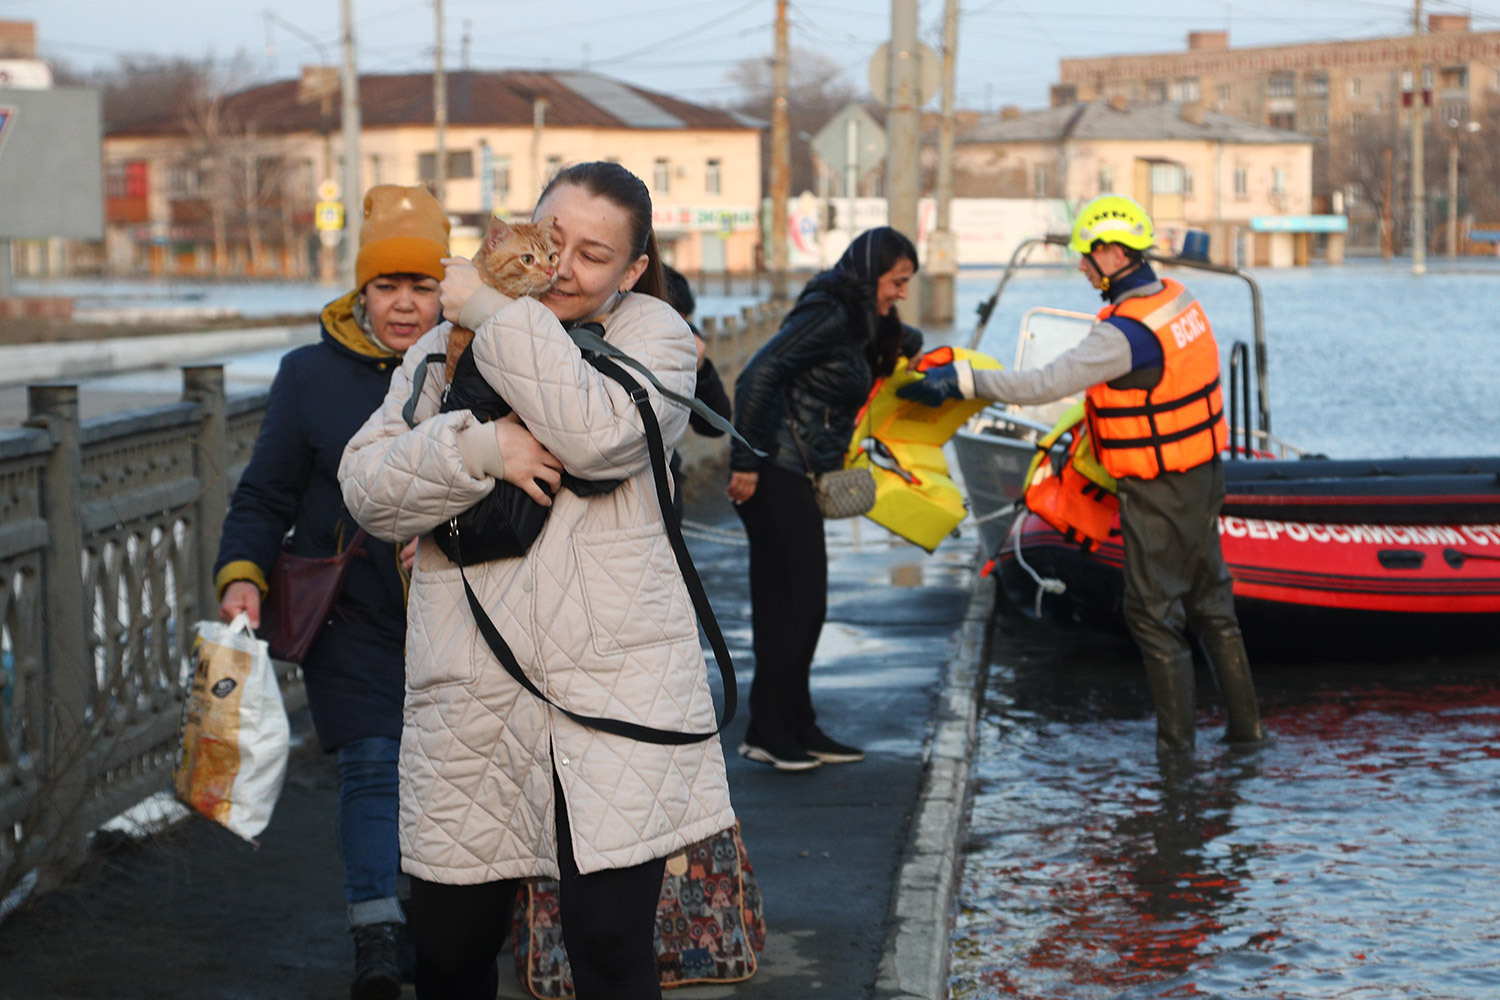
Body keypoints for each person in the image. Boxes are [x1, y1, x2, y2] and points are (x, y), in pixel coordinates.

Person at [338, 161, 734, 1000]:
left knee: (609, 947)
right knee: (449, 948)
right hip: (476, 686)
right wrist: (480, 451)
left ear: (631, 272)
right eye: (552, 240)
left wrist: (489, 311)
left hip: (616, 689)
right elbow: (366, 489)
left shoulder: (653, 334)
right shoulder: (437, 350)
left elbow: (602, 437)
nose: (560, 268)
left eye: (594, 256)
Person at [897, 194, 1265, 754]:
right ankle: (1247, 736)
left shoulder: (1124, 334)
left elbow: (1044, 383)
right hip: (1201, 471)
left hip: (1159, 485)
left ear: (1114, 254)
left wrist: (965, 382)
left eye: (1086, 256)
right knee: (1212, 604)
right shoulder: (1175, 299)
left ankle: (1176, 762)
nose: (1080, 266)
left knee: (1153, 615)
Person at [215, 184, 450, 999]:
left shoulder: (481, 364)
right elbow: (265, 494)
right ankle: (377, 936)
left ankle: (443, 923)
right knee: (372, 764)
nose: (405, 304)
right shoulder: (309, 375)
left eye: (423, 286)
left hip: (459, 616)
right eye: (388, 286)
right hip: (349, 616)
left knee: (448, 778)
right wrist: (242, 576)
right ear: (362, 290)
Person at [727, 227, 923, 772]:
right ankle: (767, 731)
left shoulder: (858, 319)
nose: (902, 293)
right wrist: (744, 462)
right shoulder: (831, 313)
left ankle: (799, 723)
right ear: (869, 273)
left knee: (801, 605)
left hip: (798, 471)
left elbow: (882, 350)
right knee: (791, 604)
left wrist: (906, 344)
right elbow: (756, 376)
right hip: (775, 470)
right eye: (897, 281)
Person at [661, 264, 732, 516]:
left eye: (683, 319)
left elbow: (715, 424)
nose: (677, 328)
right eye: (669, 317)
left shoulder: (685, 342)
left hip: (665, 486)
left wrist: (700, 369)